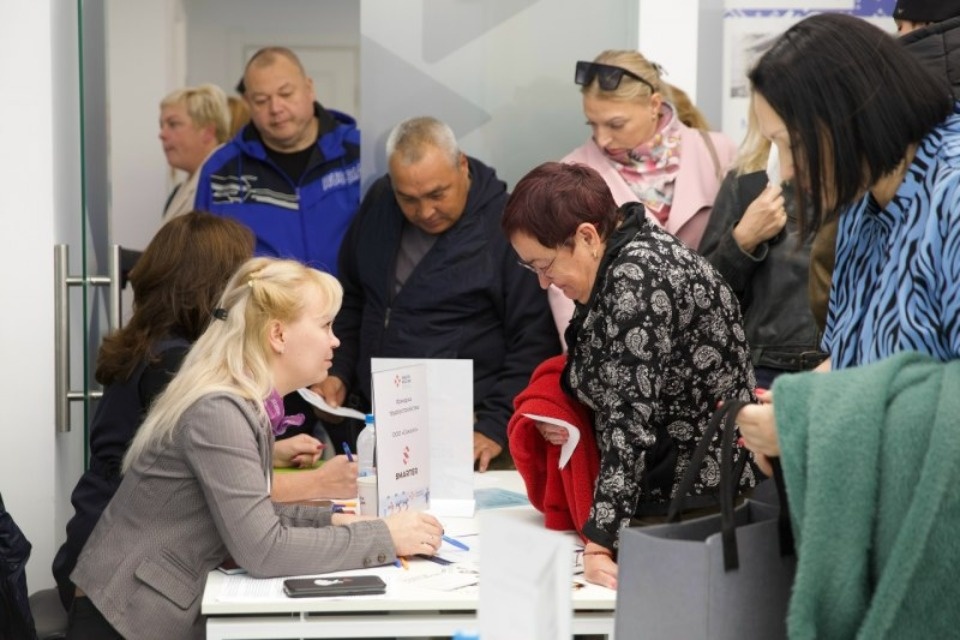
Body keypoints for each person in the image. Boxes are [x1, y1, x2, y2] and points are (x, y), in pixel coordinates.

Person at [66, 257, 444, 640]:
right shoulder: (221, 410)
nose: (336, 340)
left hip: (137, 609)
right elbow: (263, 549)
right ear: (278, 334)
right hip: (124, 620)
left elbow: (253, 514)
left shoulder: (241, 401)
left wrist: (333, 520)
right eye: (325, 325)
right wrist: (384, 538)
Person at [51, 212, 357, 613]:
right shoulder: (190, 376)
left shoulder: (157, 349)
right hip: (128, 582)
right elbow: (236, 504)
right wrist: (320, 485)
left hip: (108, 556)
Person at [503, 162, 757, 589]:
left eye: (544, 264)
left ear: (586, 236)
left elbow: (629, 421)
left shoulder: (635, 279)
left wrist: (600, 542)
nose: (544, 282)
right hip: (689, 489)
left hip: (691, 505)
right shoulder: (627, 251)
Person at [316, 116, 560, 471]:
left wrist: (495, 424)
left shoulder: (506, 227)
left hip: (468, 433)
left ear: (462, 165)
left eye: (437, 194)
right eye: (409, 198)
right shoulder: (380, 203)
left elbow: (534, 340)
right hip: (378, 420)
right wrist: (337, 370)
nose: (425, 212)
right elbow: (353, 299)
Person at [550, 51, 736, 345]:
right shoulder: (571, 176)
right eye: (592, 125)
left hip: (712, 347)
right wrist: (580, 359)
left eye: (615, 124)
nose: (602, 139)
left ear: (654, 105)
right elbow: (563, 281)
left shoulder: (718, 152)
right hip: (624, 354)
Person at [194, 46, 360, 276]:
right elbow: (202, 261)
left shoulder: (357, 153)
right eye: (261, 100)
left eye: (285, 94)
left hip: (347, 307)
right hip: (258, 309)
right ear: (248, 104)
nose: (275, 108)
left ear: (309, 89)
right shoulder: (221, 171)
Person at [698, 99, 827, 389]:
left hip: (845, 367)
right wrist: (742, 239)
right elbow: (702, 294)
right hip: (765, 368)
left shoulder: (862, 182)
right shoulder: (748, 180)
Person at [159, 84, 232, 220]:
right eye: (162, 125)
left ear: (208, 132)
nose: (162, 134)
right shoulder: (181, 189)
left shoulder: (225, 189)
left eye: (173, 124)